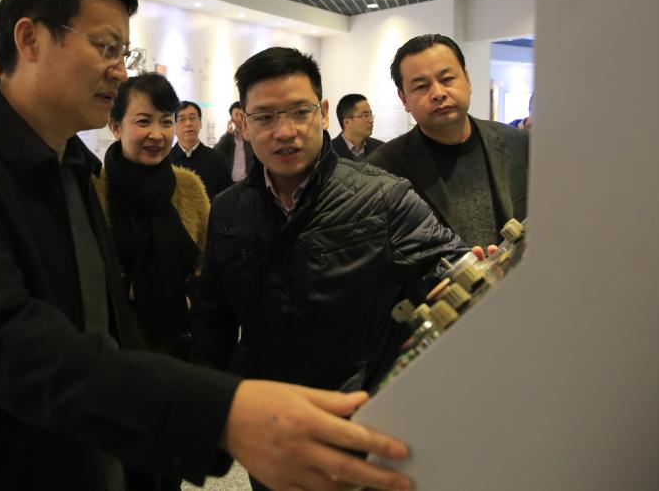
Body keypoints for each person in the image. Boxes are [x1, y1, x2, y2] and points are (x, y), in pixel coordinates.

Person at [0, 0, 414, 491]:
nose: (119, 70)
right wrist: (221, 412)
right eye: (105, 47)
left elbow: (103, 326)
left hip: (91, 451)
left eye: (124, 52)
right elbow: (3, 342)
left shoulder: (73, 166)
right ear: (30, 39)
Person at [191, 46, 468, 490]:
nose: (285, 131)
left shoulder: (384, 197)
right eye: (265, 117)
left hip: (362, 420)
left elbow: (453, 274)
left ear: (322, 113)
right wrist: (216, 425)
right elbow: (214, 322)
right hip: (274, 426)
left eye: (299, 112)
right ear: (243, 123)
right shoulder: (228, 210)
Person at [368, 34, 529, 248]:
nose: (438, 93)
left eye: (447, 79)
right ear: (404, 98)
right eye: (421, 86)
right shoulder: (381, 171)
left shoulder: (519, 143)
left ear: (467, 80)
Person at [94, 73, 209, 362]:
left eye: (166, 122)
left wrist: (188, 296)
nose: (157, 134)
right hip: (111, 349)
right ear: (115, 126)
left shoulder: (189, 188)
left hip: (180, 346)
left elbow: (210, 265)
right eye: (144, 122)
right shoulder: (94, 189)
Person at [168, 101, 232, 200]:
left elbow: (226, 199)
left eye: (192, 118)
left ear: (200, 123)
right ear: (174, 127)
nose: (188, 123)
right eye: (182, 119)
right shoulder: (165, 159)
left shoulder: (217, 159)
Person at [332, 93, 384, 160]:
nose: (371, 120)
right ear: (347, 122)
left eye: (370, 115)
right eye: (365, 116)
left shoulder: (380, 148)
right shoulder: (329, 152)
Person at [214, 101, 254, 182]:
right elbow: (216, 152)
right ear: (231, 118)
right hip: (230, 182)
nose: (239, 118)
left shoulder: (252, 136)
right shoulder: (228, 137)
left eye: (241, 115)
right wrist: (228, 133)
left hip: (249, 181)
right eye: (236, 115)